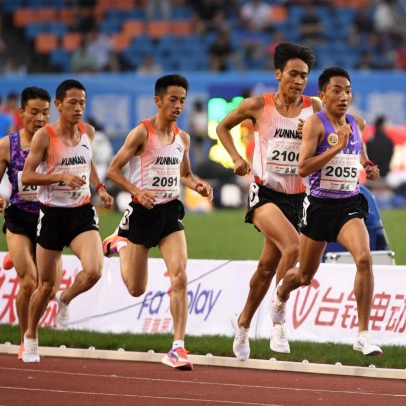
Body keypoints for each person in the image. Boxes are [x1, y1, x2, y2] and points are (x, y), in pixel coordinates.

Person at [215, 42, 322, 361]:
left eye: (304, 75)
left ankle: (242, 323)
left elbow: (333, 139)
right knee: (293, 248)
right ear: (278, 74)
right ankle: (279, 317)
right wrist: (236, 158)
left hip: (297, 198)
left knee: (265, 269)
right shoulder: (257, 105)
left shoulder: (314, 107)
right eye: (293, 74)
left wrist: (312, 134)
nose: (299, 81)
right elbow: (222, 127)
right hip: (265, 194)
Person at [269, 67, 383, 357]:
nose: (344, 97)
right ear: (322, 95)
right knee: (304, 275)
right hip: (319, 207)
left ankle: (363, 334)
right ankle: (280, 295)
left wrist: (369, 167)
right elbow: (303, 168)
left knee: (364, 259)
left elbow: (360, 155)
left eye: (348, 91)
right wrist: (337, 146)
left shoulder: (356, 123)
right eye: (337, 91)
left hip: (349, 204)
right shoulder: (315, 125)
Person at [102, 74, 213, 371]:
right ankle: (120, 244)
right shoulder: (141, 133)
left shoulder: (183, 138)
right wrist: (137, 191)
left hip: (169, 212)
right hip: (143, 213)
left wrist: (198, 185)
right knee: (136, 289)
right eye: (173, 100)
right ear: (158, 100)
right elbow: (113, 171)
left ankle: (177, 347)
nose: (178, 106)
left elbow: (185, 175)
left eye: (182, 101)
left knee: (180, 276)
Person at [20, 79, 114, 363]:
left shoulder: (88, 132)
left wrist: (100, 188)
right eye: (72, 102)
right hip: (52, 214)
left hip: (81, 212)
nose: (78, 108)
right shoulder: (45, 136)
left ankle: (66, 298)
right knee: (46, 286)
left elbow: (87, 161)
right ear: (59, 104)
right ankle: (30, 336)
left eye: (82, 103)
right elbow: (27, 176)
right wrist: (60, 176)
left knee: (94, 270)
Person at [0, 86, 52, 359]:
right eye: (34, 112)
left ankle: (15, 255)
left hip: (49, 219)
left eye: (45, 112)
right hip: (19, 218)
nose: (40, 118)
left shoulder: (57, 142)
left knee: (47, 288)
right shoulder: (7, 145)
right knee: (29, 282)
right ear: (21, 112)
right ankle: (26, 339)